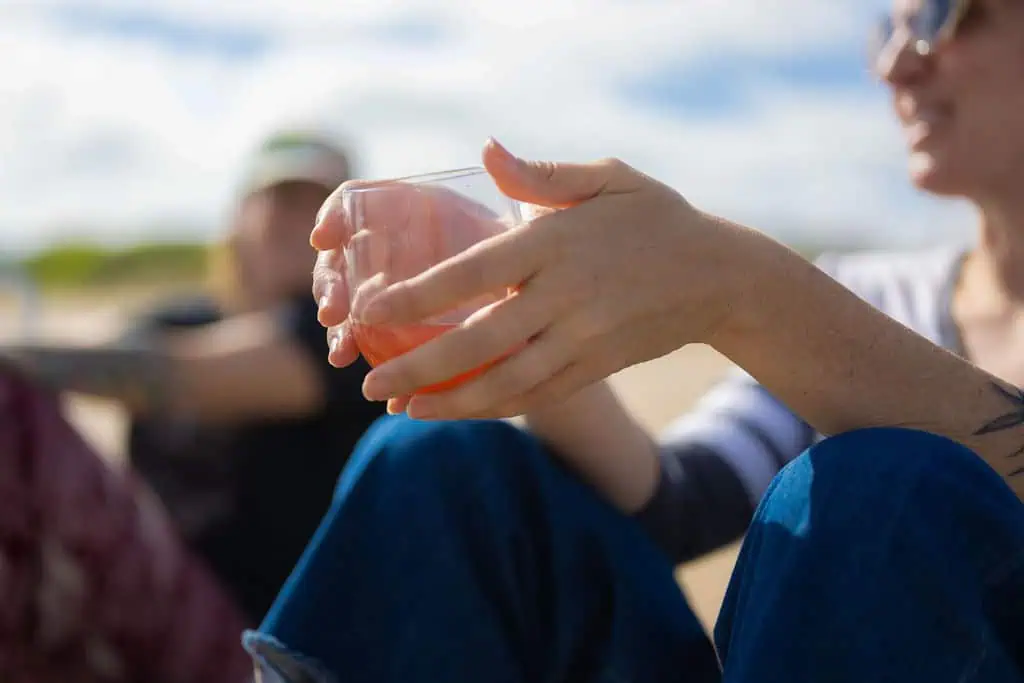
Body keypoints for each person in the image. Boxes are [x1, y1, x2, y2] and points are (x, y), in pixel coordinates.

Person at [244, 1, 1024, 681]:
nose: (895, 61)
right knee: (439, 463)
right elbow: (679, 502)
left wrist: (742, 288)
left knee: (878, 488)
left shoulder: (817, 302)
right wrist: (515, 300)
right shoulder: (875, 291)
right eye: (883, 29)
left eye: (944, 12)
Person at [0, 129, 387, 681]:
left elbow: (181, 374)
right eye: (275, 198)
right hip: (133, 607)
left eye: (316, 204)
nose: (292, 219)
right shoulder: (175, 321)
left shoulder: (350, 336)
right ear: (239, 218)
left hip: (267, 644)